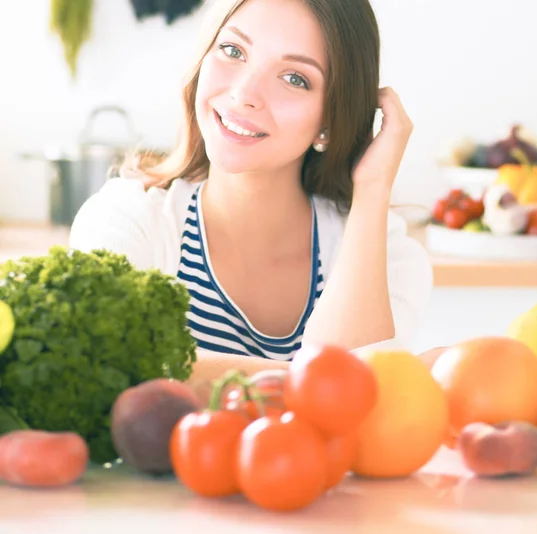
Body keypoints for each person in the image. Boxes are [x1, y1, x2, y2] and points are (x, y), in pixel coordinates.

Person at [69, 0, 434, 387]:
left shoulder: (388, 256)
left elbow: (351, 418)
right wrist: (307, 381)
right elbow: (113, 375)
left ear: (329, 120)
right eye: (233, 50)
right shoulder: (127, 221)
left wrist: (373, 187)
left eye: (294, 78)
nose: (245, 94)